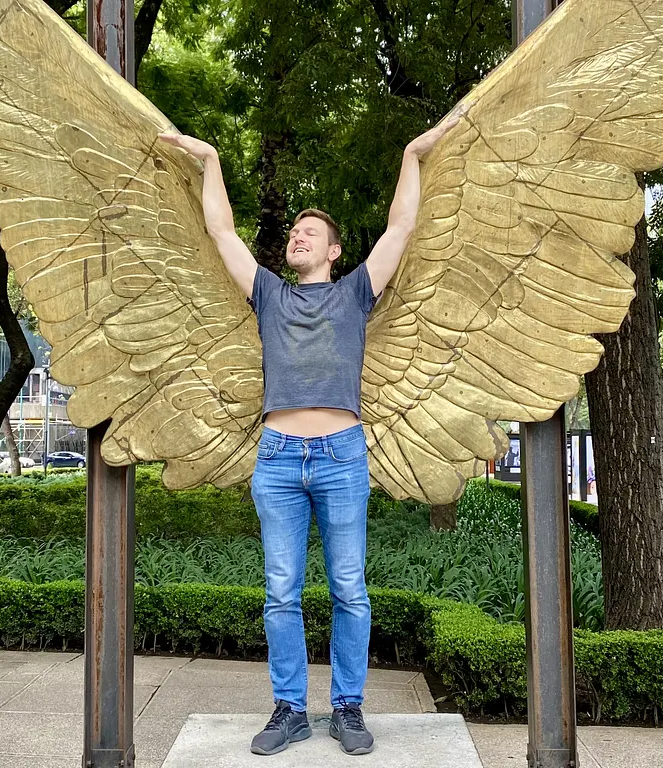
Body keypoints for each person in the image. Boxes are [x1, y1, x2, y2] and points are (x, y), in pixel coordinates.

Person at [159, 107, 466, 757]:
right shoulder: (268, 295)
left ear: (332, 251)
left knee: (350, 588)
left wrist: (415, 152)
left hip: (341, 456)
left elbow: (401, 226)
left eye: (310, 232)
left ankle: (348, 709)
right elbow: (219, 231)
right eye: (294, 231)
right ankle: (290, 709)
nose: (297, 236)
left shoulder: (356, 293)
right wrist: (209, 158)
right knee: (279, 592)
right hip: (276, 460)